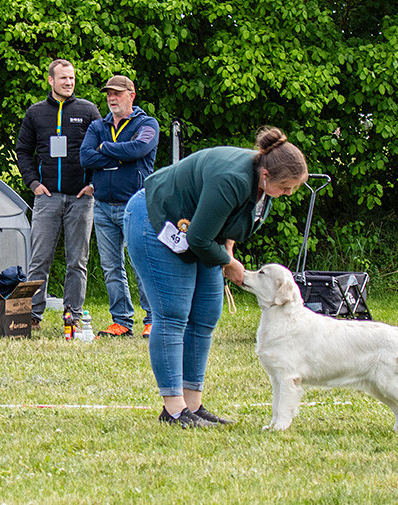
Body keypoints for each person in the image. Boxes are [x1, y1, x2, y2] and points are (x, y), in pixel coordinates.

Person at [124, 127, 308, 428]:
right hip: (157, 219)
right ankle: (173, 410)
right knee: (172, 314)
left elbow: (229, 222)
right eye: (286, 187)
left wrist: (228, 249)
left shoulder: (262, 183)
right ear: (265, 176)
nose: (289, 194)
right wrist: (230, 264)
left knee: (207, 313)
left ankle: (192, 406)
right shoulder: (232, 179)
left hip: (197, 234)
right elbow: (198, 238)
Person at [15, 58, 101, 329]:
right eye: (63, 78)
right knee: (39, 259)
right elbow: (22, 151)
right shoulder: (36, 113)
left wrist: (93, 184)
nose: (69, 82)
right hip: (47, 197)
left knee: (78, 260)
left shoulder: (88, 111)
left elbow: (104, 148)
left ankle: (73, 315)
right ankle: (32, 315)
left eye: (72, 78)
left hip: (81, 198)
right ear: (50, 81)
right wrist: (33, 183)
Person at [79, 75, 159, 338]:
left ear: (131, 95)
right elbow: (86, 156)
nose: (112, 98)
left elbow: (138, 149)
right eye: (108, 94)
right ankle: (122, 321)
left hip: (136, 205)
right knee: (112, 267)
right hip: (102, 205)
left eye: (117, 93)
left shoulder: (147, 124)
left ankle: (153, 320)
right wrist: (118, 155)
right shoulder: (97, 126)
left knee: (142, 264)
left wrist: (106, 149)